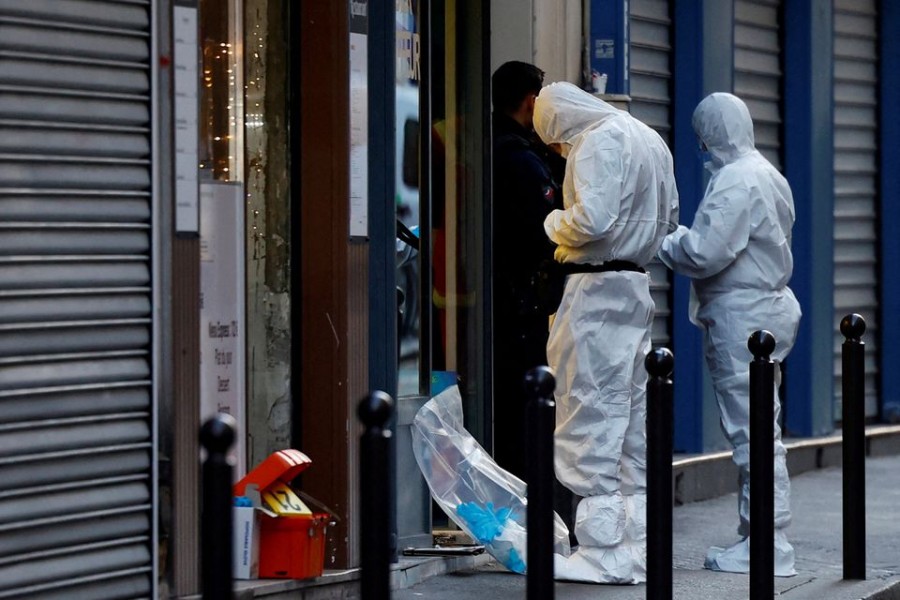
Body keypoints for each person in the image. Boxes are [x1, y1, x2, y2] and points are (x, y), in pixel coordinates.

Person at [532, 81, 679, 584]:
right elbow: (671, 216)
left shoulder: (595, 140)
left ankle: (600, 550)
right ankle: (637, 544)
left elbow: (591, 219)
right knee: (631, 421)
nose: (557, 150)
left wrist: (554, 221)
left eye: (553, 140)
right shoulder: (649, 137)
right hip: (635, 284)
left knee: (587, 411)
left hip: (593, 289)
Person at [657, 92, 801, 577]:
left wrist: (664, 238)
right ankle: (762, 535)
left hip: (743, 317)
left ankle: (766, 541)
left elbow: (703, 252)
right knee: (763, 428)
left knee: (751, 435)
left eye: (702, 137)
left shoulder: (735, 181)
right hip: (767, 310)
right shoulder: (769, 174)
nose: (701, 147)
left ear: (712, 135)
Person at [490, 61, 564, 480]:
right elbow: (550, 225)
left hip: (512, 298)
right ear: (532, 102)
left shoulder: (510, 146)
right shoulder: (516, 155)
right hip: (520, 302)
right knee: (527, 405)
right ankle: (527, 496)